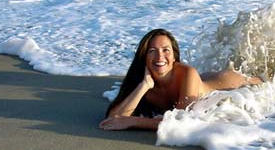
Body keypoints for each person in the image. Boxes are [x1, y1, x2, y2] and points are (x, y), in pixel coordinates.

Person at [99, 28, 261, 131]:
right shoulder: (143, 80)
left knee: (266, 82)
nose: (159, 57)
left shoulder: (187, 73)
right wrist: (144, 86)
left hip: (232, 84)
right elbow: (114, 118)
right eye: (152, 51)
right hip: (204, 81)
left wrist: (134, 121)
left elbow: (182, 120)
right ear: (144, 57)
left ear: (175, 55)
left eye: (165, 50)